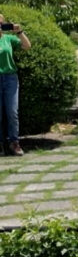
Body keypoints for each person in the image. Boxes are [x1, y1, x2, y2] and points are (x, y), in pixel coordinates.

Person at [0, 14, 30, 156]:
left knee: (12, 112)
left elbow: (26, 46)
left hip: (10, 78)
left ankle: (14, 142)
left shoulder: (8, 39)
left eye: (1, 23)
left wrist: (19, 32)